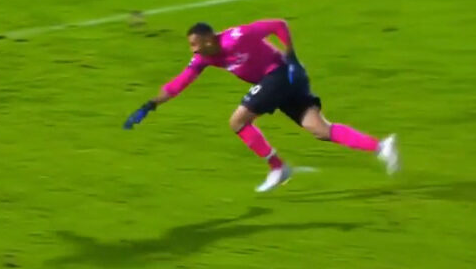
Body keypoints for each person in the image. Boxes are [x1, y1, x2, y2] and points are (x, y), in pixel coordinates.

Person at [123, 19, 398, 192]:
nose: (193, 50)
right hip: (279, 82)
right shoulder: (205, 58)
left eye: (195, 44)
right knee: (319, 129)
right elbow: (180, 83)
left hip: (281, 74)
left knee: (238, 121)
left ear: (208, 39)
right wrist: (150, 105)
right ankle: (381, 146)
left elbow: (278, 25)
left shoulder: (237, 36)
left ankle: (278, 168)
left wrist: (291, 56)